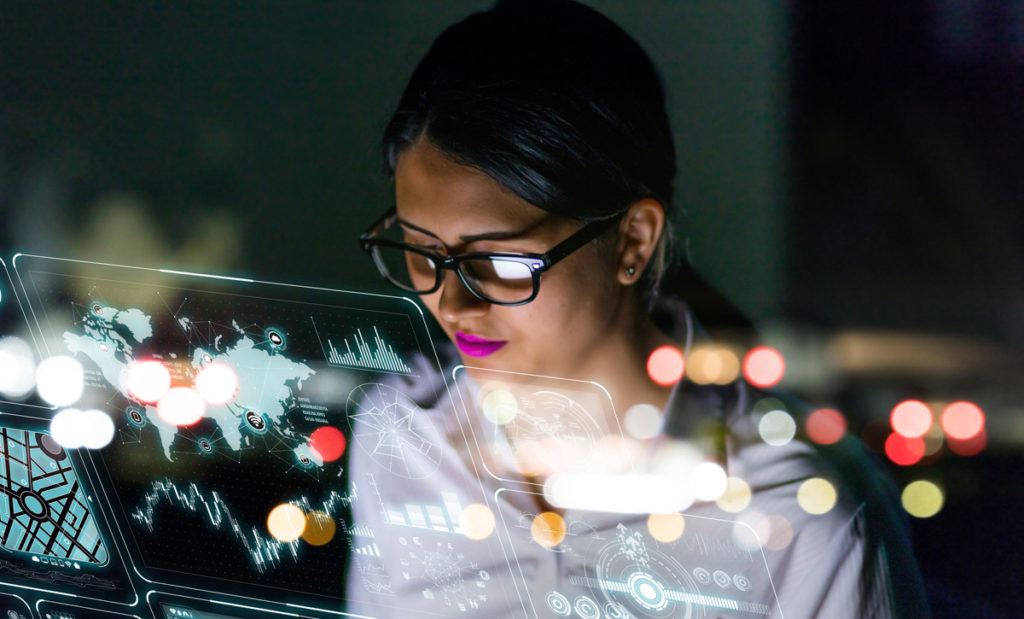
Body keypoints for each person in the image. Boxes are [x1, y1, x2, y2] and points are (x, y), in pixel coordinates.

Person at [347, 1, 929, 617]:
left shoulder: (801, 514)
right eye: (420, 251)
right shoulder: (403, 442)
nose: (453, 303)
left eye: (503, 260)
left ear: (632, 240)